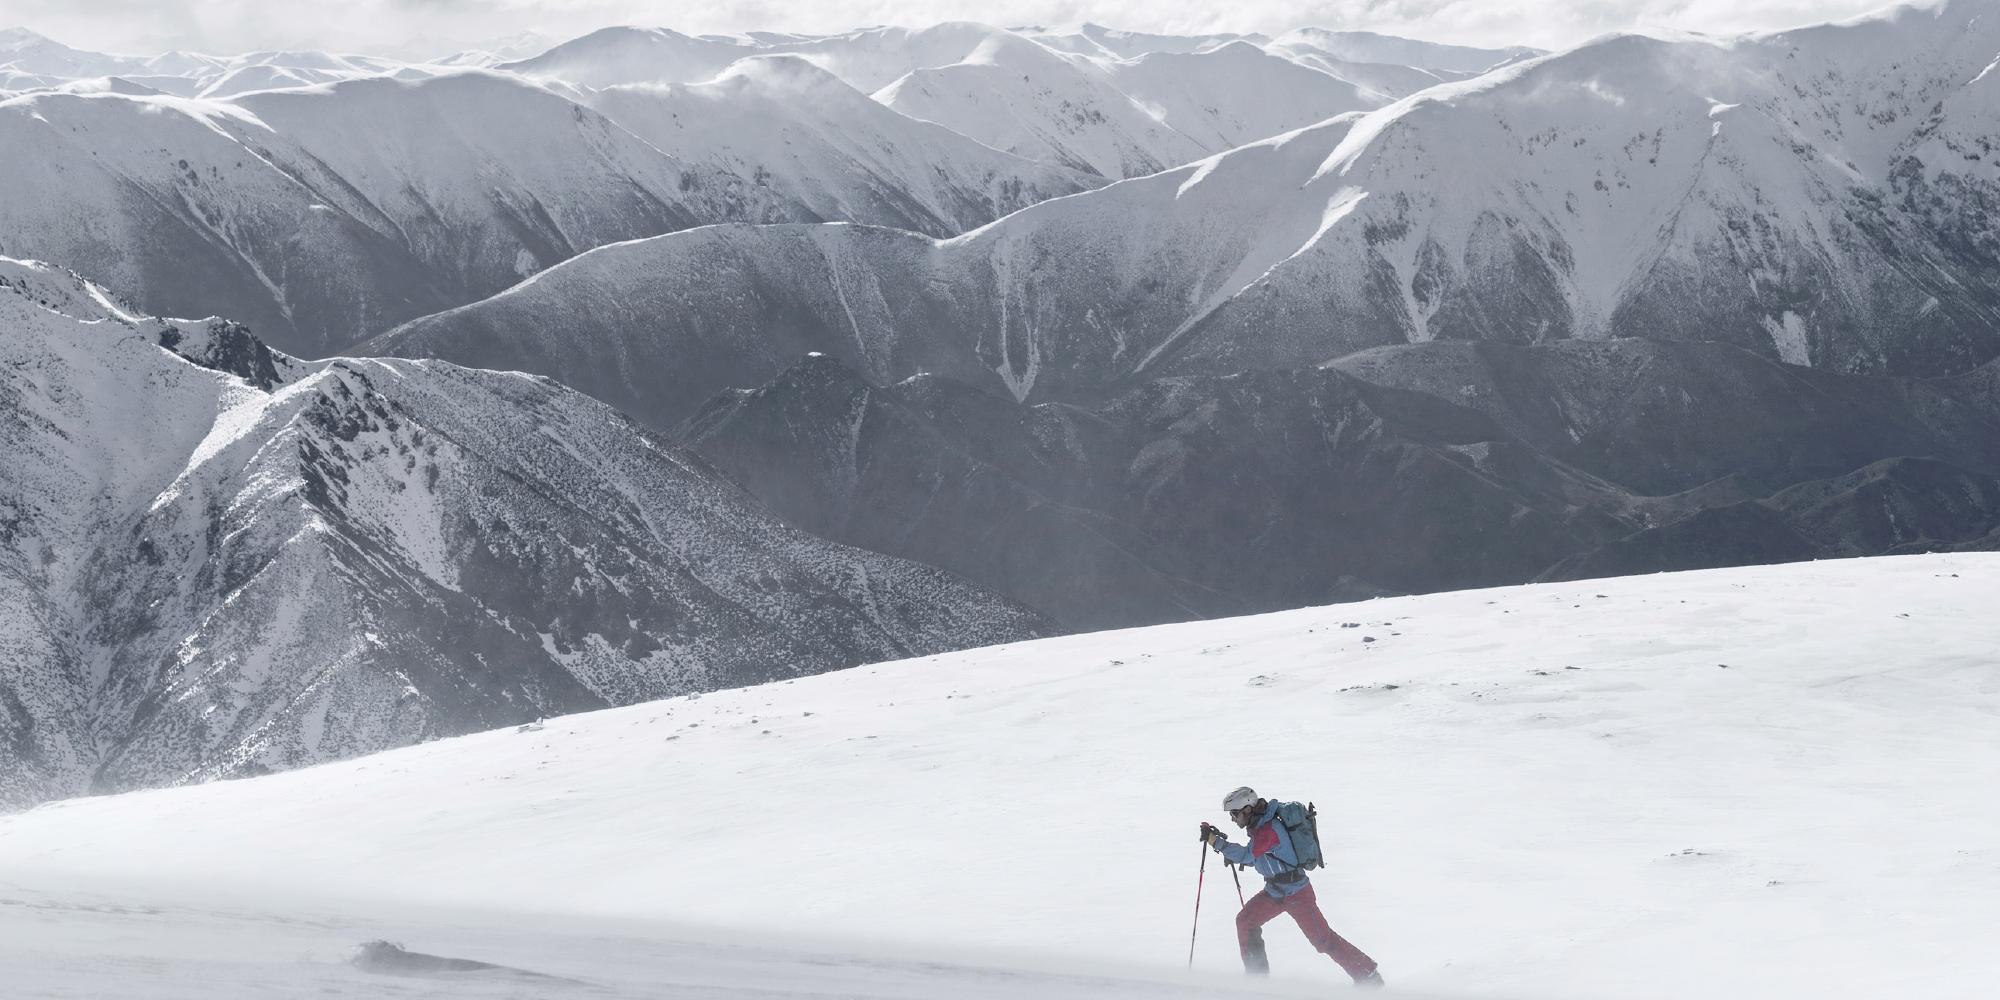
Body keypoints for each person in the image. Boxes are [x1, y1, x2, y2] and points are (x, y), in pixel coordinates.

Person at [1201, 785, 1384, 988]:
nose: (1233, 819)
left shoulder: (1268, 829)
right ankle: (1257, 980)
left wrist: (1215, 842)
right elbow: (1260, 857)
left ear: (1247, 809)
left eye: (1234, 814)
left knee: (1322, 940)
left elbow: (1248, 855)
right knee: (1245, 921)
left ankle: (1368, 975)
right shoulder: (1259, 827)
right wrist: (1228, 851)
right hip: (1274, 892)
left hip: (1297, 893)